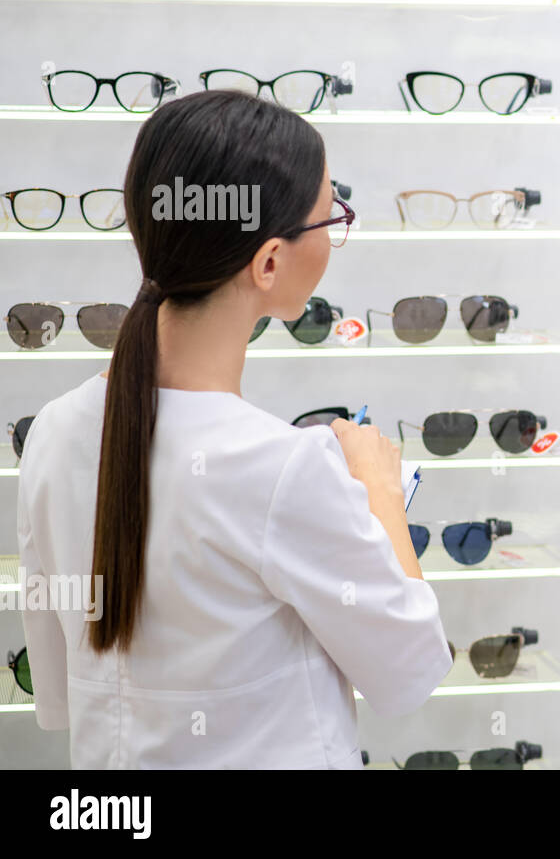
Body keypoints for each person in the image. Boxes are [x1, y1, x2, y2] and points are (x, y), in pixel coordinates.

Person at [17, 90, 452, 768]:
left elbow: (59, 694)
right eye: (329, 216)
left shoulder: (51, 433)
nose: (335, 233)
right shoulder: (283, 469)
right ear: (270, 263)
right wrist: (379, 490)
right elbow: (411, 671)